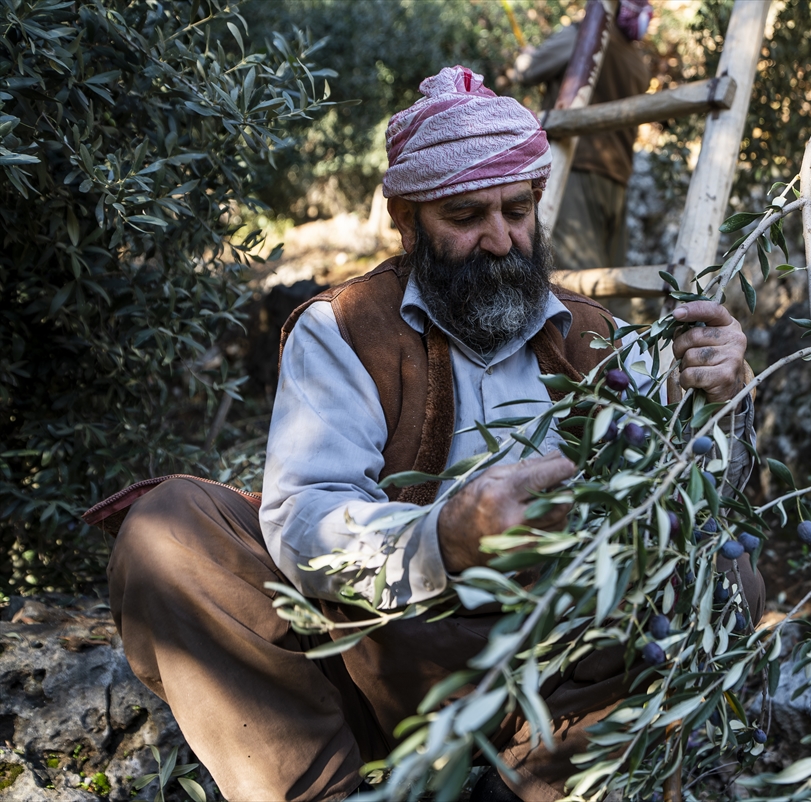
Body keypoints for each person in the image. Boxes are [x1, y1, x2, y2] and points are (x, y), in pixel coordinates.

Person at [106, 66, 762, 802]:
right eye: (465, 215)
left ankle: (537, 787)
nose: (500, 240)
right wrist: (441, 540)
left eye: (517, 210)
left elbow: (698, 497)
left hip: (551, 676)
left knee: (721, 571)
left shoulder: (603, 341)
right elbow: (304, 516)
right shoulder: (343, 330)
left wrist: (724, 400)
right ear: (406, 219)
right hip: (374, 656)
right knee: (170, 527)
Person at [513, 0, 651, 321]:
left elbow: (528, 71)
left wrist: (526, 57)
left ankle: (586, 351)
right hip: (617, 177)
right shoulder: (636, 61)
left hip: (574, 170)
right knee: (612, 283)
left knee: (577, 284)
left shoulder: (585, 35)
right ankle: (625, 350)